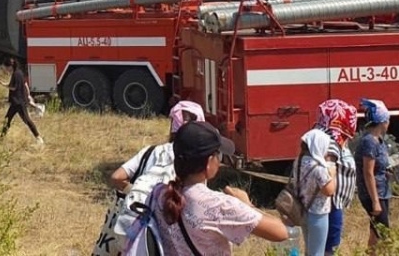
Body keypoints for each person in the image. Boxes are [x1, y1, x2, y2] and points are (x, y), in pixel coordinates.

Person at [148, 121, 292, 255]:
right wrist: (247, 205)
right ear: (209, 162)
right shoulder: (218, 205)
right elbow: (281, 233)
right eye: (219, 154)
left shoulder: (158, 193)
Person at [99, 101, 205, 255]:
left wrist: (137, 191)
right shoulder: (196, 162)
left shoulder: (150, 151)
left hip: (136, 226)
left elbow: (117, 177)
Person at [313, 99, 358, 256]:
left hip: (332, 204)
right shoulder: (331, 142)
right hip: (328, 206)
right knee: (327, 250)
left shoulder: (331, 139)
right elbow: (326, 178)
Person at [355, 99, 393, 255]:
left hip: (382, 190)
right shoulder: (369, 142)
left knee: (375, 231)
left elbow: (378, 166)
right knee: (384, 232)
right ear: (382, 121)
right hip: (373, 194)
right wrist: (375, 202)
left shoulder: (379, 140)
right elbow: (367, 172)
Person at [294, 129, 337, 256]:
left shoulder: (299, 162)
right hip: (318, 214)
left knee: (309, 249)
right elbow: (329, 191)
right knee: (317, 252)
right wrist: (332, 174)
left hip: (302, 210)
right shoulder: (319, 169)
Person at [0, 58, 43, 144]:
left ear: (10, 67)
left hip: (18, 102)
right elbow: (25, 84)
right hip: (17, 102)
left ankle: (39, 138)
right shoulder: (19, 73)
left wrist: (3, 84)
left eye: (6, 67)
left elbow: (13, 87)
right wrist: (28, 94)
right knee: (7, 119)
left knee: (27, 120)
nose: (6, 69)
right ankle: (1, 138)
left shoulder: (15, 75)